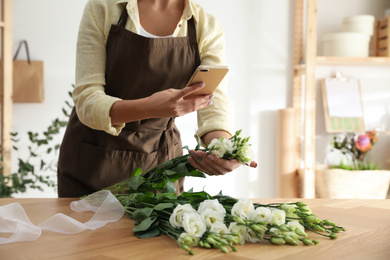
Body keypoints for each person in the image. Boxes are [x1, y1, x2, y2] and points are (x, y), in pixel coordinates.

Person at [57, 0, 257, 198]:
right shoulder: (103, 8)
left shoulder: (205, 26)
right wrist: (149, 107)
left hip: (159, 168)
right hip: (91, 163)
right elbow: (87, 99)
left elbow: (213, 102)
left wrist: (223, 149)